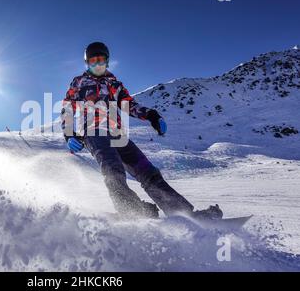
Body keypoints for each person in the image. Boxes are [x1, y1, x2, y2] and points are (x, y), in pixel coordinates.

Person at [60, 42, 223, 220]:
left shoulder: (115, 85)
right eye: (93, 61)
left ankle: (182, 213)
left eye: (101, 60)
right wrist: (69, 134)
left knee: (148, 172)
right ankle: (130, 210)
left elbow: (130, 105)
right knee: (112, 169)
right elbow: (67, 108)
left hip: (117, 135)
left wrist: (151, 115)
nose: (97, 64)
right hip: (94, 133)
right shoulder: (79, 82)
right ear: (87, 63)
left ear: (107, 61)